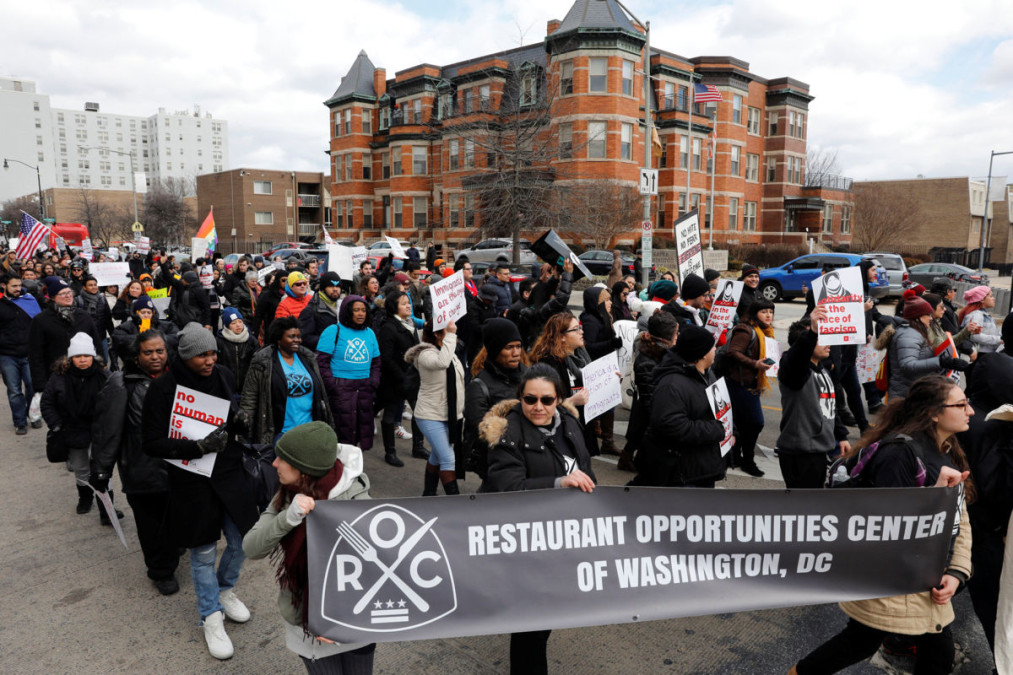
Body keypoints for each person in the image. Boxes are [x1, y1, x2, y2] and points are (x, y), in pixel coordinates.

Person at [790, 375, 973, 675]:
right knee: (868, 644)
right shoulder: (899, 454)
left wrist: (956, 573)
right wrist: (936, 496)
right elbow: (890, 530)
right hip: (894, 583)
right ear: (933, 413)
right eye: (961, 404)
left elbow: (959, 517)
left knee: (879, 646)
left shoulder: (946, 447)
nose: (970, 411)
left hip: (923, 579)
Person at [141, 322, 259, 660]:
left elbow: (228, 414)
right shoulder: (162, 388)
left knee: (242, 540)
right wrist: (196, 447)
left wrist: (239, 420)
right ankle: (210, 615)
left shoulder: (223, 374)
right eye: (202, 355)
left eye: (213, 353)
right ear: (184, 356)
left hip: (230, 471)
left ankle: (224, 590)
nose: (210, 360)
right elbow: (151, 443)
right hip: (191, 480)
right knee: (204, 552)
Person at [480, 364, 596, 675]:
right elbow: (507, 489)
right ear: (520, 397)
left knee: (545, 621)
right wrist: (559, 483)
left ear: (559, 399)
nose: (538, 407)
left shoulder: (569, 422)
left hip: (563, 540)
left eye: (547, 400)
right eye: (530, 399)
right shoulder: (507, 431)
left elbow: (586, 468)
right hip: (526, 547)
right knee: (530, 627)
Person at [241, 422, 375, 673]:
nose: (274, 463)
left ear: (304, 471)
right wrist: (287, 518)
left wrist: (335, 619)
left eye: (283, 459)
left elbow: (376, 563)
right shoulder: (287, 494)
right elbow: (251, 548)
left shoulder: (356, 498)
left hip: (353, 617)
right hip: (306, 619)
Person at [91, 330, 180, 595]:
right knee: (151, 525)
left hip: (177, 464)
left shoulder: (179, 377)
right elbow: (107, 429)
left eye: (160, 351)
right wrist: (101, 469)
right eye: (148, 352)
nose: (155, 357)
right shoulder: (120, 383)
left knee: (174, 516)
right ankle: (161, 571)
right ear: (137, 356)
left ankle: (172, 549)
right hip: (142, 467)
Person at [631, 325, 727, 488]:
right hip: (680, 474)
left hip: (700, 468)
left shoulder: (708, 374)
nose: (716, 350)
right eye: (712, 347)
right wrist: (717, 430)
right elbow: (672, 426)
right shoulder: (671, 385)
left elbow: (720, 407)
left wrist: (730, 429)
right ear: (703, 353)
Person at [40, 332, 121, 522]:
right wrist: (57, 425)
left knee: (102, 471)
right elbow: (47, 403)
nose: (82, 360)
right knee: (81, 468)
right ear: (71, 358)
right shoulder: (59, 377)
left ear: (93, 356)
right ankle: (85, 498)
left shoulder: (104, 375)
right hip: (72, 431)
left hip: (99, 431)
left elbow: (115, 401)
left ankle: (107, 511)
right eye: (78, 356)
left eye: (86, 355)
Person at [775, 309, 850, 488]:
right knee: (803, 503)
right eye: (820, 338)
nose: (827, 343)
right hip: (800, 453)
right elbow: (796, 357)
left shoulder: (822, 369)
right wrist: (812, 332)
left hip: (818, 451)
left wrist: (841, 436)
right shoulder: (793, 371)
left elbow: (828, 407)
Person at [240, 317, 333, 446]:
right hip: (280, 434)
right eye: (291, 336)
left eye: (298, 336)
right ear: (279, 339)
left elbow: (321, 393)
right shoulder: (263, 360)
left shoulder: (308, 357)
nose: (297, 340)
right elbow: (249, 397)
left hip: (309, 430)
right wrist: (245, 429)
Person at [406, 320, 466, 496]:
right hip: (430, 416)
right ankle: (455, 502)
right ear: (438, 334)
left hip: (450, 415)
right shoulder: (425, 354)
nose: (454, 333)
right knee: (448, 459)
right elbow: (442, 363)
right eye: (448, 331)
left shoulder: (448, 352)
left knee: (437, 456)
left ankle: (428, 493)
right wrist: (451, 335)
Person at [463, 318, 528, 478]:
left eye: (518, 346)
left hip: (529, 461)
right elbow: (482, 431)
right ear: (494, 350)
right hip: (498, 466)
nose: (516, 353)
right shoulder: (479, 386)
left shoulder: (530, 375)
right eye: (509, 347)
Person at [315, 295, 380, 451]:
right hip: (340, 388)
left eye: (363, 310)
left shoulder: (370, 333)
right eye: (356, 310)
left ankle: (353, 463)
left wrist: (373, 382)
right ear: (347, 311)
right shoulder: (333, 331)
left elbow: (376, 362)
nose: (361, 314)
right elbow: (321, 362)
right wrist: (332, 385)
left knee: (359, 431)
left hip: (364, 388)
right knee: (341, 433)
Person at [529, 312, 595, 456]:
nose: (581, 332)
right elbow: (542, 403)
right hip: (560, 431)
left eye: (580, 327)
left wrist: (611, 382)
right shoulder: (549, 363)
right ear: (561, 336)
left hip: (581, 426)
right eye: (576, 329)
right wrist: (571, 401)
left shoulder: (582, 357)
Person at [724, 297, 775, 477]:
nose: (768, 315)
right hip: (740, 384)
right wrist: (755, 364)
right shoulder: (745, 330)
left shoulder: (765, 331)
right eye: (764, 311)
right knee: (755, 423)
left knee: (743, 423)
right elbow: (733, 352)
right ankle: (748, 460)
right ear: (754, 313)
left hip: (752, 383)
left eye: (771, 311)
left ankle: (737, 456)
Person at [624, 312, 679, 473]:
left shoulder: (658, 352)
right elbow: (649, 400)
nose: (678, 336)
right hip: (648, 407)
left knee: (638, 434)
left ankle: (627, 458)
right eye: (676, 333)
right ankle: (629, 460)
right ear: (666, 338)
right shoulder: (647, 362)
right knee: (641, 433)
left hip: (649, 405)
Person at [882, 297, 967, 401]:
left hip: (913, 391)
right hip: (906, 396)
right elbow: (907, 365)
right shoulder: (909, 334)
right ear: (918, 317)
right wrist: (941, 362)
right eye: (928, 315)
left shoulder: (915, 331)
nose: (931, 318)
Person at [29, 276, 103, 395]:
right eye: (62, 294)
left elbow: (97, 345)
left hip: (85, 376)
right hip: (56, 378)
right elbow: (36, 355)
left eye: (69, 292)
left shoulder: (83, 316)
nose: (68, 296)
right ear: (53, 297)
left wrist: (100, 370)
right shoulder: (41, 320)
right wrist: (40, 386)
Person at [376, 290, 423, 467]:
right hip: (394, 380)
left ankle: (418, 447)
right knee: (389, 416)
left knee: (420, 412)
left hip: (412, 378)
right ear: (393, 307)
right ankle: (390, 452)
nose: (408, 306)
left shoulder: (410, 324)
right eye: (403, 303)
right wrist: (402, 376)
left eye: (408, 302)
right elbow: (386, 358)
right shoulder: (388, 327)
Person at [580, 286, 623, 456]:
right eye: (606, 300)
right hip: (596, 370)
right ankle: (600, 442)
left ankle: (607, 442)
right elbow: (588, 347)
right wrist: (611, 343)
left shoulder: (602, 317)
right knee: (600, 406)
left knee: (609, 405)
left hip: (604, 367)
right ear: (596, 303)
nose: (610, 303)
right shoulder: (591, 320)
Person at [0, 274, 41, 434]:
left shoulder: (29, 300)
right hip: (7, 355)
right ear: (4, 286)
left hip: (29, 353)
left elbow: (39, 324)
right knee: (14, 390)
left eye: (19, 285)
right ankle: (20, 421)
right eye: (14, 286)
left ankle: (33, 415)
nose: (18, 289)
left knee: (32, 386)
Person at [111, 296, 179, 364]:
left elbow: (176, 337)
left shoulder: (166, 325)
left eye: (149, 313)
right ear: (137, 313)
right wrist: (142, 337)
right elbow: (118, 339)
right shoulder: (127, 326)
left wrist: (155, 338)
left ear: (153, 313)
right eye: (143, 312)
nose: (146, 315)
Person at [216, 307, 260, 391]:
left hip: (247, 384)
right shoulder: (219, 341)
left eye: (240, 321)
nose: (238, 325)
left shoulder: (251, 340)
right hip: (226, 384)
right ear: (227, 325)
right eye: (233, 323)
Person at [297, 271, 341, 351]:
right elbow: (304, 338)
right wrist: (328, 340)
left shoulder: (342, 306)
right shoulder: (311, 310)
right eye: (331, 286)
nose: (335, 289)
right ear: (323, 289)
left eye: (338, 286)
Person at [75, 275, 114, 364]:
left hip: (101, 337)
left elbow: (108, 318)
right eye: (90, 285)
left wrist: (112, 334)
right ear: (84, 287)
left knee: (103, 362)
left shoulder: (102, 299)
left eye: (95, 284)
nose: (94, 287)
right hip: (85, 339)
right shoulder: (78, 301)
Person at [959, 285, 1001, 353]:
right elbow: (975, 336)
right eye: (991, 296)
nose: (993, 298)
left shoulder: (983, 314)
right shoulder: (976, 315)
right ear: (982, 299)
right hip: (982, 354)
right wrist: (999, 340)